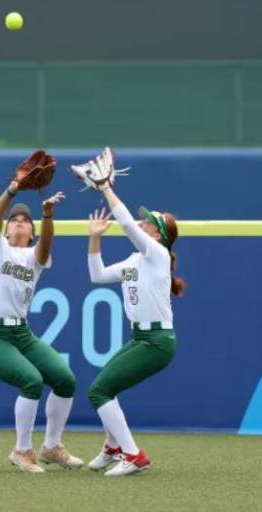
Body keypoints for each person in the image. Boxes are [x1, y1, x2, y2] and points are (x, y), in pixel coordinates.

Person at [0, 150, 83, 473]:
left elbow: (46, 247)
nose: (18, 221)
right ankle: (22, 451)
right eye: (15, 220)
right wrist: (13, 190)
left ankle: (51, 447)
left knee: (65, 379)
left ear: (31, 232)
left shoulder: (34, 258)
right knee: (32, 381)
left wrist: (47, 214)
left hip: (21, 334)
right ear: (7, 231)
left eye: (25, 220)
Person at [83, 177, 186, 476]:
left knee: (98, 391)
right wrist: (95, 237)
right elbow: (98, 276)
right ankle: (113, 448)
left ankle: (132, 454)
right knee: (106, 387)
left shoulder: (157, 254)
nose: (143, 223)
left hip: (157, 341)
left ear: (159, 234)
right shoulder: (135, 259)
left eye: (150, 222)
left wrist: (105, 189)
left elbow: (127, 224)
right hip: (142, 338)